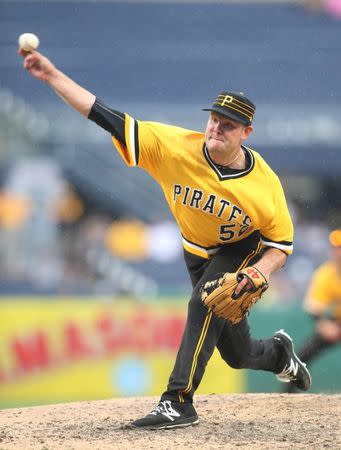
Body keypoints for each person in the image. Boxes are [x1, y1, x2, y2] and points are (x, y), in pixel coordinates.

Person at [19, 48, 311, 429]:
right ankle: (279, 355)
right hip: (196, 251)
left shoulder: (264, 185)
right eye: (214, 120)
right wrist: (52, 76)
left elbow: (281, 245)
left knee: (203, 303)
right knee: (236, 354)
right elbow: (103, 115)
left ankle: (178, 401)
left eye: (228, 125)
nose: (216, 129)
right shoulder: (174, 147)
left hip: (242, 248)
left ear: (246, 133)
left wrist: (258, 272)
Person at [283, 229, 341, 393]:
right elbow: (314, 308)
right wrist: (324, 325)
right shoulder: (326, 274)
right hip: (337, 322)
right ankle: (285, 395)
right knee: (302, 355)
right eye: (336, 248)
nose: (339, 252)